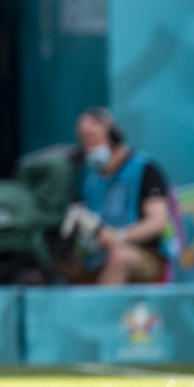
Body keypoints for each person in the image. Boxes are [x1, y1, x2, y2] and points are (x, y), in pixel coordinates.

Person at [71, 108, 173, 285]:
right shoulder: (90, 177)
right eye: (84, 139)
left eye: (93, 137)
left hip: (142, 253)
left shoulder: (145, 168)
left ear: (114, 136)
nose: (88, 146)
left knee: (120, 256)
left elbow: (157, 223)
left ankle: (102, 313)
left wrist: (119, 236)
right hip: (96, 255)